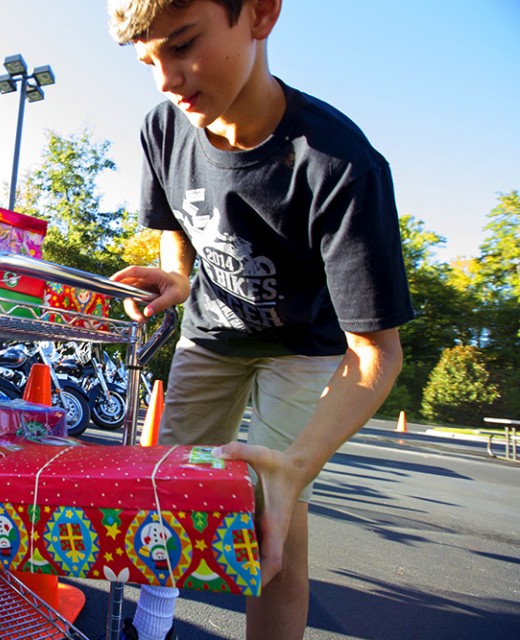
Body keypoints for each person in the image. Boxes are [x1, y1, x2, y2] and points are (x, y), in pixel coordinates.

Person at [105, 1, 412, 639]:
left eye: (184, 43)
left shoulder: (339, 164)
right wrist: (182, 278)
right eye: (147, 60)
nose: (166, 78)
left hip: (304, 345)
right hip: (212, 334)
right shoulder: (163, 128)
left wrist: (295, 466)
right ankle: (151, 625)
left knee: (274, 520)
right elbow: (175, 231)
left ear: (262, 14)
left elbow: (377, 351)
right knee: (169, 487)